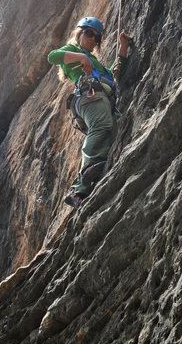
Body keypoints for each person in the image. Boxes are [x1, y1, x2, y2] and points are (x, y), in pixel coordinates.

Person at [47, 16, 131, 208]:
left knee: (109, 130)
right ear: (79, 33)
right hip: (89, 96)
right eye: (89, 33)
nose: (93, 39)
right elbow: (52, 57)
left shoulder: (95, 62)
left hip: (101, 99)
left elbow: (113, 73)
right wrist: (81, 57)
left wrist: (123, 46)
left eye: (97, 38)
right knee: (101, 125)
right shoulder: (73, 50)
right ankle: (85, 176)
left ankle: (80, 191)